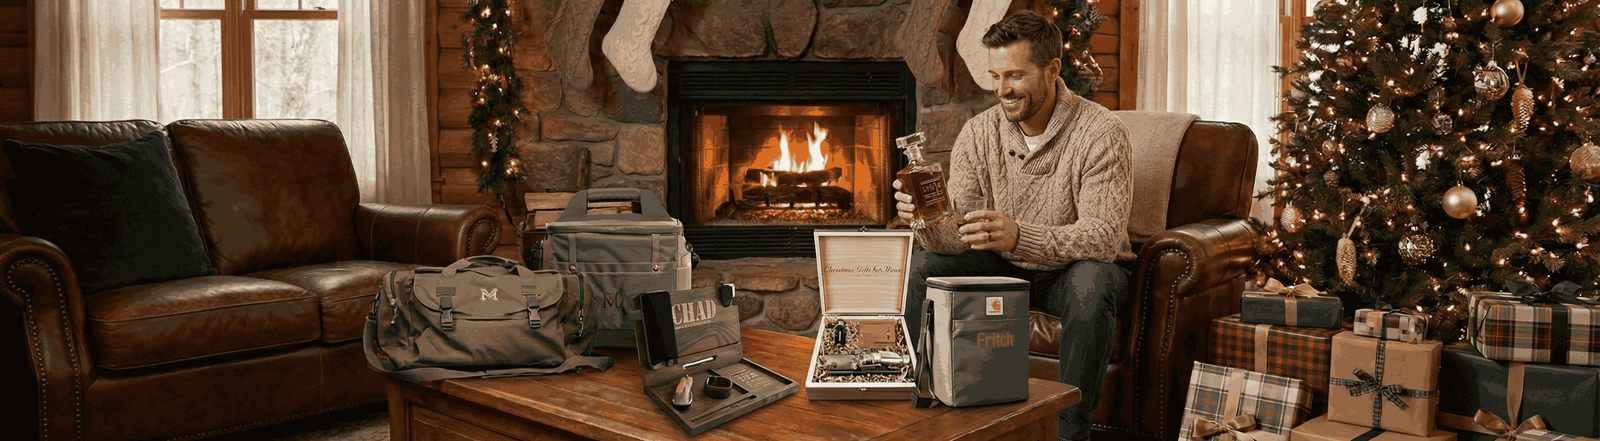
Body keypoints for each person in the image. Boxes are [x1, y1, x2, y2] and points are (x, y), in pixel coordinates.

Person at [894, 10, 1132, 441]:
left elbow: (1103, 236)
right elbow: (954, 238)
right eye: (996, 75)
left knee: (1091, 283)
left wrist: (1020, 235)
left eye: (1016, 76)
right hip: (1003, 267)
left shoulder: (1101, 132)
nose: (1002, 90)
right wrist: (925, 221)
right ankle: (916, 410)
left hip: (1077, 270)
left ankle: (1069, 433)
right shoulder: (978, 133)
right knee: (926, 265)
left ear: (1052, 69)